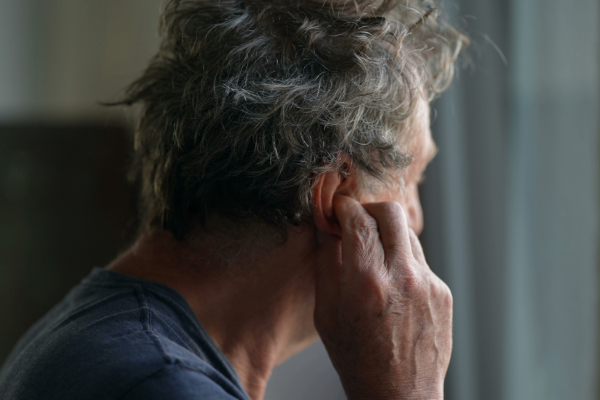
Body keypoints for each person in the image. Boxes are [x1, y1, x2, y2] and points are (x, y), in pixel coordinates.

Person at [0, 0, 467, 399]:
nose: (416, 219)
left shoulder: (95, 339)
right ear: (336, 196)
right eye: (414, 179)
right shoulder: (160, 384)